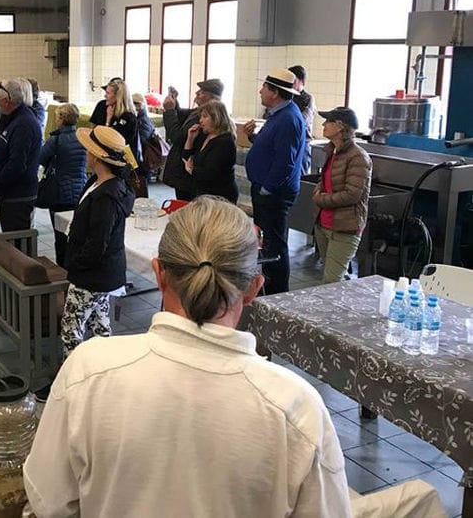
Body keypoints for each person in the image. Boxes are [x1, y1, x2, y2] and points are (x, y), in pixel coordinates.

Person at [23, 196, 351, 518]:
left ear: (159, 273)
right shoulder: (296, 409)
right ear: (253, 288)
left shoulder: (88, 369)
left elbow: (49, 501)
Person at [61, 126, 135, 358]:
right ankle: (101, 373)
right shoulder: (99, 182)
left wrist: (76, 264)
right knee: (100, 326)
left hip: (92, 275)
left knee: (71, 330)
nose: (85, 153)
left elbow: (97, 243)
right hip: (103, 273)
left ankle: (72, 378)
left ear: (97, 156)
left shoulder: (106, 195)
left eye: (88, 150)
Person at [244, 68, 306, 294]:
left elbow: (285, 162)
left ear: (275, 93)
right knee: (268, 241)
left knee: (275, 244)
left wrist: (267, 189)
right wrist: (254, 138)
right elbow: (271, 149)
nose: (260, 91)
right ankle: (267, 285)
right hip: (266, 189)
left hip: (275, 193)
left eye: (264, 88)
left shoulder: (288, 119)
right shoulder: (278, 114)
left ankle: (277, 292)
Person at [313, 107, 372, 283]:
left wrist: (320, 198)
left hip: (345, 227)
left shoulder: (358, 157)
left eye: (328, 121)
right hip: (325, 224)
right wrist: (318, 190)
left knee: (331, 281)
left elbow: (352, 194)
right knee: (333, 276)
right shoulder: (332, 151)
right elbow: (327, 180)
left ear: (339, 127)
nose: (323, 124)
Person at [0, 78, 43, 231]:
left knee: (16, 244)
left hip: (18, 196)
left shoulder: (24, 124)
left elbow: (17, 164)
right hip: (11, 195)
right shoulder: (15, 119)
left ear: (7, 101)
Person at [38, 103, 87, 267]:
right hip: (80, 189)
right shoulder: (82, 137)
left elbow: (41, 159)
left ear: (61, 119)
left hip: (60, 192)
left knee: (60, 235)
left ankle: (62, 267)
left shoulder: (56, 140)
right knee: (75, 232)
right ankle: (75, 264)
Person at [162, 78, 224, 200]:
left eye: (201, 92)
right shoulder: (199, 112)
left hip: (190, 175)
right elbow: (183, 117)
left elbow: (177, 137)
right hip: (185, 171)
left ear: (211, 97)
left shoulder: (207, 119)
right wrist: (175, 104)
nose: (196, 93)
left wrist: (169, 111)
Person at [183, 99, 239, 204]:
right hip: (202, 192)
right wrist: (190, 139)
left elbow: (210, 174)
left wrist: (191, 170)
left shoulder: (225, 142)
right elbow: (186, 158)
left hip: (219, 195)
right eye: (201, 117)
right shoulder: (205, 135)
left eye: (205, 117)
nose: (200, 120)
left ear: (216, 118)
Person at [289, 65, 316, 175]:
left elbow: (303, 120)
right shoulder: (288, 96)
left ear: (301, 81)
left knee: (301, 175)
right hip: (288, 140)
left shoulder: (308, 98)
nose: (290, 83)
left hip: (303, 141)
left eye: (293, 80)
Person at [132, 92, 156, 177]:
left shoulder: (142, 121)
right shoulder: (142, 119)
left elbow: (141, 141)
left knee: (139, 187)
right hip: (141, 162)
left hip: (141, 162)